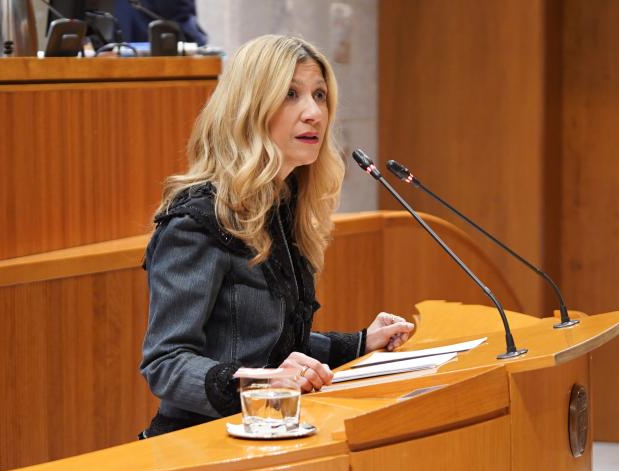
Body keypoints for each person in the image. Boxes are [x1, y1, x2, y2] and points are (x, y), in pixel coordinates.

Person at [138, 35, 414, 439]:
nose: (314, 113)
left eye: (319, 95)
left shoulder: (282, 207)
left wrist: (361, 343)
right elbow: (165, 364)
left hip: (266, 432)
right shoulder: (198, 219)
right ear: (250, 109)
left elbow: (268, 345)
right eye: (290, 94)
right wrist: (260, 383)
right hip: (199, 442)